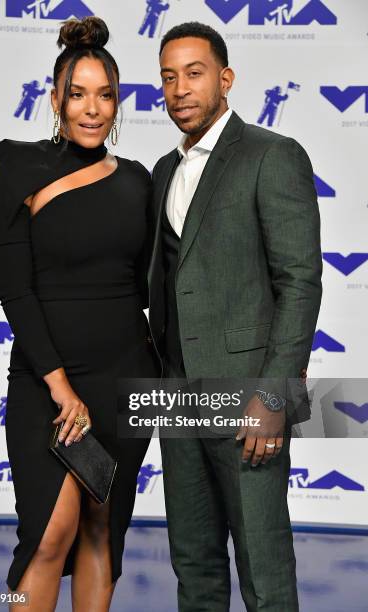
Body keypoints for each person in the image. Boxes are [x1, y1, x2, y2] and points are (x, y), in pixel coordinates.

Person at [148, 22, 322, 612]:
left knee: (264, 572)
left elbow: (299, 282)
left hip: (249, 395)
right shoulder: (163, 173)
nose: (179, 89)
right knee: (193, 567)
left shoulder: (272, 156)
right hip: (177, 396)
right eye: (168, 77)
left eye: (194, 74)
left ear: (225, 79)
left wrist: (274, 398)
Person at [0, 16, 158, 612]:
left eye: (105, 95)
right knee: (49, 534)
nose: (92, 109)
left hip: (123, 380)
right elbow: (15, 291)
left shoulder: (138, 180)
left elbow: (153, 284)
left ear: (118, 101)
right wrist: (60, 387)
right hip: (46, 380)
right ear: (55, 97)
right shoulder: (18, 165)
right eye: (78, 94)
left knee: (101, 535)